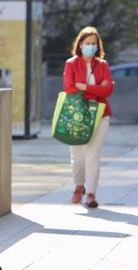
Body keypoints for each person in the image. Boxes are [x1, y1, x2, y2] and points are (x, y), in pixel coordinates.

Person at [63, 26, 114, 208]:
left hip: (100, 115)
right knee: (77, 156)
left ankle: (91, 193)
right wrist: (97, 89)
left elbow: (108, 89)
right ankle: (79, 186)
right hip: (76, 116)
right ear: (80, 44)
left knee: (93, 153)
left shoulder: (102, 65)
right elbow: (69, 87)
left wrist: (85, 87)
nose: (91, 46)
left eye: (94, 44)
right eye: (87, 43)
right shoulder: (71, 63)